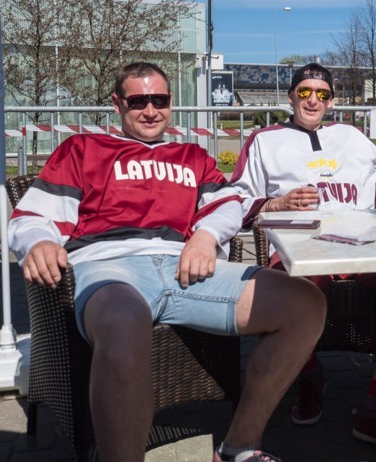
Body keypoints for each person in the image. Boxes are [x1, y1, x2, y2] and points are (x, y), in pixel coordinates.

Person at [8, 62, 326, 462]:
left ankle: (239, 446)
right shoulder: (84, 150)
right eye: (138, 101)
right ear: (117, 103)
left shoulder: (192, 156)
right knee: (125, 321)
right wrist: (38, 242)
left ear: (171, 103)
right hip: (110, 267)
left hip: (185, 269)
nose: (150, 110)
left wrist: (205, 237)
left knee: (305, 303)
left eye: (159, 100)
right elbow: (31, 217)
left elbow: (228, 206)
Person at [231, 63, 376, 454]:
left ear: (333, 100)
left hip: (363, 245)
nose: (314, 99)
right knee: (290, 291)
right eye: (305, 91)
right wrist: (276, 202)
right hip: (302, 249)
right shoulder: (264, 140)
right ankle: (309, 376)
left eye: (323, 93)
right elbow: (236, 199)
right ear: (291, 96)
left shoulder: (352, 137)